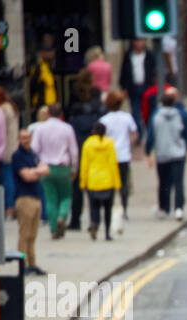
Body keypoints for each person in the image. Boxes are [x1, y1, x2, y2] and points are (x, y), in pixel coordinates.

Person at [146, 90, 187, 220]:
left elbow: (151, 135)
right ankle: (178, 208)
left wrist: (147, 151)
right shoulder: (182, 115)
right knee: (178, 182)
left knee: (163, 182)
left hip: (162, 153)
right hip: (178, 153)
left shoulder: (155, 116)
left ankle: (164, 208)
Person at [32, 102, 78, 239]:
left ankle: (53, 228)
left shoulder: (40, 128)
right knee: (66, 196)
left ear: (48, 113)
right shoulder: (67, 128)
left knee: (50, 199)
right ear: (61, 114)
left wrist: (38, 164)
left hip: (46, 168)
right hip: (62, 167)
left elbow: (34, 149)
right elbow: (73, 151)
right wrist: (74, 168)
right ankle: (62, 216)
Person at [65, 71, 102, 232]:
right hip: (93, 148)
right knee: (93, 186)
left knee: (77, 188)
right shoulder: (97, 107)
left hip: (79, 147)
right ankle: (95, 220)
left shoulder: (74, 112)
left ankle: (75, 220)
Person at [11, 129, 47, 274]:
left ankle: (32, 263)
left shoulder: (32, 154)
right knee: (24, 234)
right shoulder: (17, 156)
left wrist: (35, 172)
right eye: (23, 138)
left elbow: (46, 169)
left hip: (36, 197)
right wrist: (37, 171)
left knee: (33, 235)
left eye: (28, 137)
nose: (25, 140)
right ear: (18, 139)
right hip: (24, 198)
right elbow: (26, 176)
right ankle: (22, 264)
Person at [100, 91, 138, 226]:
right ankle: (124, 208)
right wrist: (130, 145)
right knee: (123, 184)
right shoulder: (126, 117)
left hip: (108, 157)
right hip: (123, 155)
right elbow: (134, 134)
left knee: (110, 184)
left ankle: (109, 207)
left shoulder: (104, 119)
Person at [78, 121, 121, 241]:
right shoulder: (109, 143)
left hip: (93, 180)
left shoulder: (88, 144)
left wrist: (82, 181)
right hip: (108, 180)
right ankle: (107, 233)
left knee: (93, 206)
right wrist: (117, 183)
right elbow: (113, 163)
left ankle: (95, 224)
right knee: (108, 209)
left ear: (93, 131)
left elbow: (84, 164)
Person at [120, 38, 156, 133]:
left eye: (141, 40)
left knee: (149, 111)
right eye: (137, 41)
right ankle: (139, 134)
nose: (139, 43)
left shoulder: (149, 55)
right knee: (135, 113)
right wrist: (124, 88)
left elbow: (154, 71)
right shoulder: (128, 56)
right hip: (134, 88)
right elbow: (124, 72)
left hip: (147, 87)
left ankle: (149, 133)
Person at [0, 87, 19, 218]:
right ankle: (11, 206)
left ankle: (9, 207)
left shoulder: (3, 109)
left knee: (6, 179)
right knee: (10, 178)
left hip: (5, 149)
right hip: (12, 146)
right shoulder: (11, 107)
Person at [28, 41, 57, 122]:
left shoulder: (49, 66)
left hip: (51, 103)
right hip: (41, 104)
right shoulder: (38, 68)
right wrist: (32, 104)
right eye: (48, 52)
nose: (51, 54)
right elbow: (32, 86)